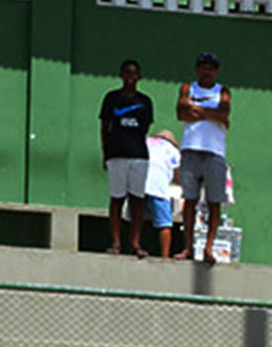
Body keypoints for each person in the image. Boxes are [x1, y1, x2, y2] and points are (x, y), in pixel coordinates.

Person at [175, 52, 231, 266]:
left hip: (214, 152)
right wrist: (212, 114)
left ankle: (208, 248)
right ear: (197, 69)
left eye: (211, 68)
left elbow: (224, 113)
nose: (207, 71)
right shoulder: (188, 88)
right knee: (189, 200)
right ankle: (188, 247)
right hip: (190, 149)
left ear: (216, 71)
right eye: (203, 67)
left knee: (214, 202)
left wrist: (196, 109)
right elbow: (181, 113)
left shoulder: (222, 91)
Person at [99, 59, 154, 257]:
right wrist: (106, 152)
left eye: (134, 73)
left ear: (139, 77)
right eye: (127, 73)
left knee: (137, 199)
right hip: (116, 154)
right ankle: (116, 243)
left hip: (139, 155)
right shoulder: (111, 98)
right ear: (121, 75)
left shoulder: (145, 101)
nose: (130, 77)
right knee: (117, 198)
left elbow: (145, 128)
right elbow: (105, 127)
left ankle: (135, 243)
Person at [141, 129, 179, 261]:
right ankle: (165, 256)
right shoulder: (172, 150)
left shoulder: (145, 142)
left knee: (136, 220)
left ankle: (135, 248)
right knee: (165, 224)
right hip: (159, 188)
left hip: (138, 186)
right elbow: (178, 177)